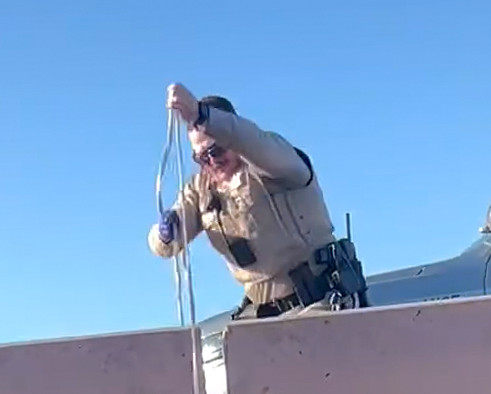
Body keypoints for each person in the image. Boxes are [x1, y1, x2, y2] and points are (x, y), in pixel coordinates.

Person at [148, 83, 368, 320]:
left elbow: (253, 141)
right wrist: (164, 235)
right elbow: (164, 245)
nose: (211, 161)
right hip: (263, 315)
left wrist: (200, 115)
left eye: (216, 151)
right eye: (201, 157)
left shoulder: (274, 162)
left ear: (231, 138)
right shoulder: (199, 190)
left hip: (322, 303)